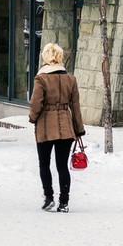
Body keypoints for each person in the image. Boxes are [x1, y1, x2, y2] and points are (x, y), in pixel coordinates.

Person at [29, 42, 85, 213]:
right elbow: (75, 107)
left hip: (45, 127)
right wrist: (78, 129)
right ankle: (64, 202)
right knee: (62, 166)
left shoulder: (41, 79)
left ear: (45, 57)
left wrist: (32, 118)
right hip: (66, 127)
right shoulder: (70, 79)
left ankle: (48, 197)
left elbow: (36, 104)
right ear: (61, 57)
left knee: (44, 163)